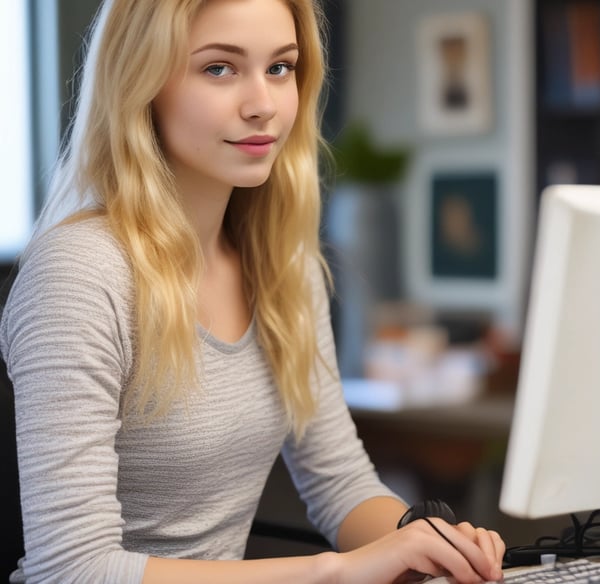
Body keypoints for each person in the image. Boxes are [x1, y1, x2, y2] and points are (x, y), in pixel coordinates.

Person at [0, 0, 506, 583]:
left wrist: (424, 544)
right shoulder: (81, 271)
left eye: (280, 68)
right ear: (142, 81)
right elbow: (72, 570)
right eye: (219, 68)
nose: (263, 105)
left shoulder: (284, 268)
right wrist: (337, 573)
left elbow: (339, 481)